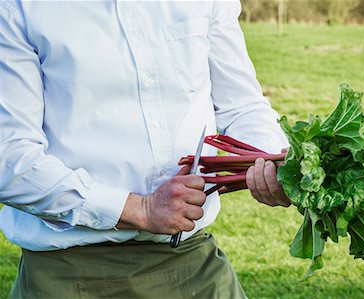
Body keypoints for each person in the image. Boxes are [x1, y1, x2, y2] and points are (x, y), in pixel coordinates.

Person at [0, 1, 290, 298]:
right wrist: (141, 209)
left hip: (192, 262)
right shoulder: (21, 7)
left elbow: (242, 106)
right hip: (68, 273)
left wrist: (273, 163)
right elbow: (10, 158)